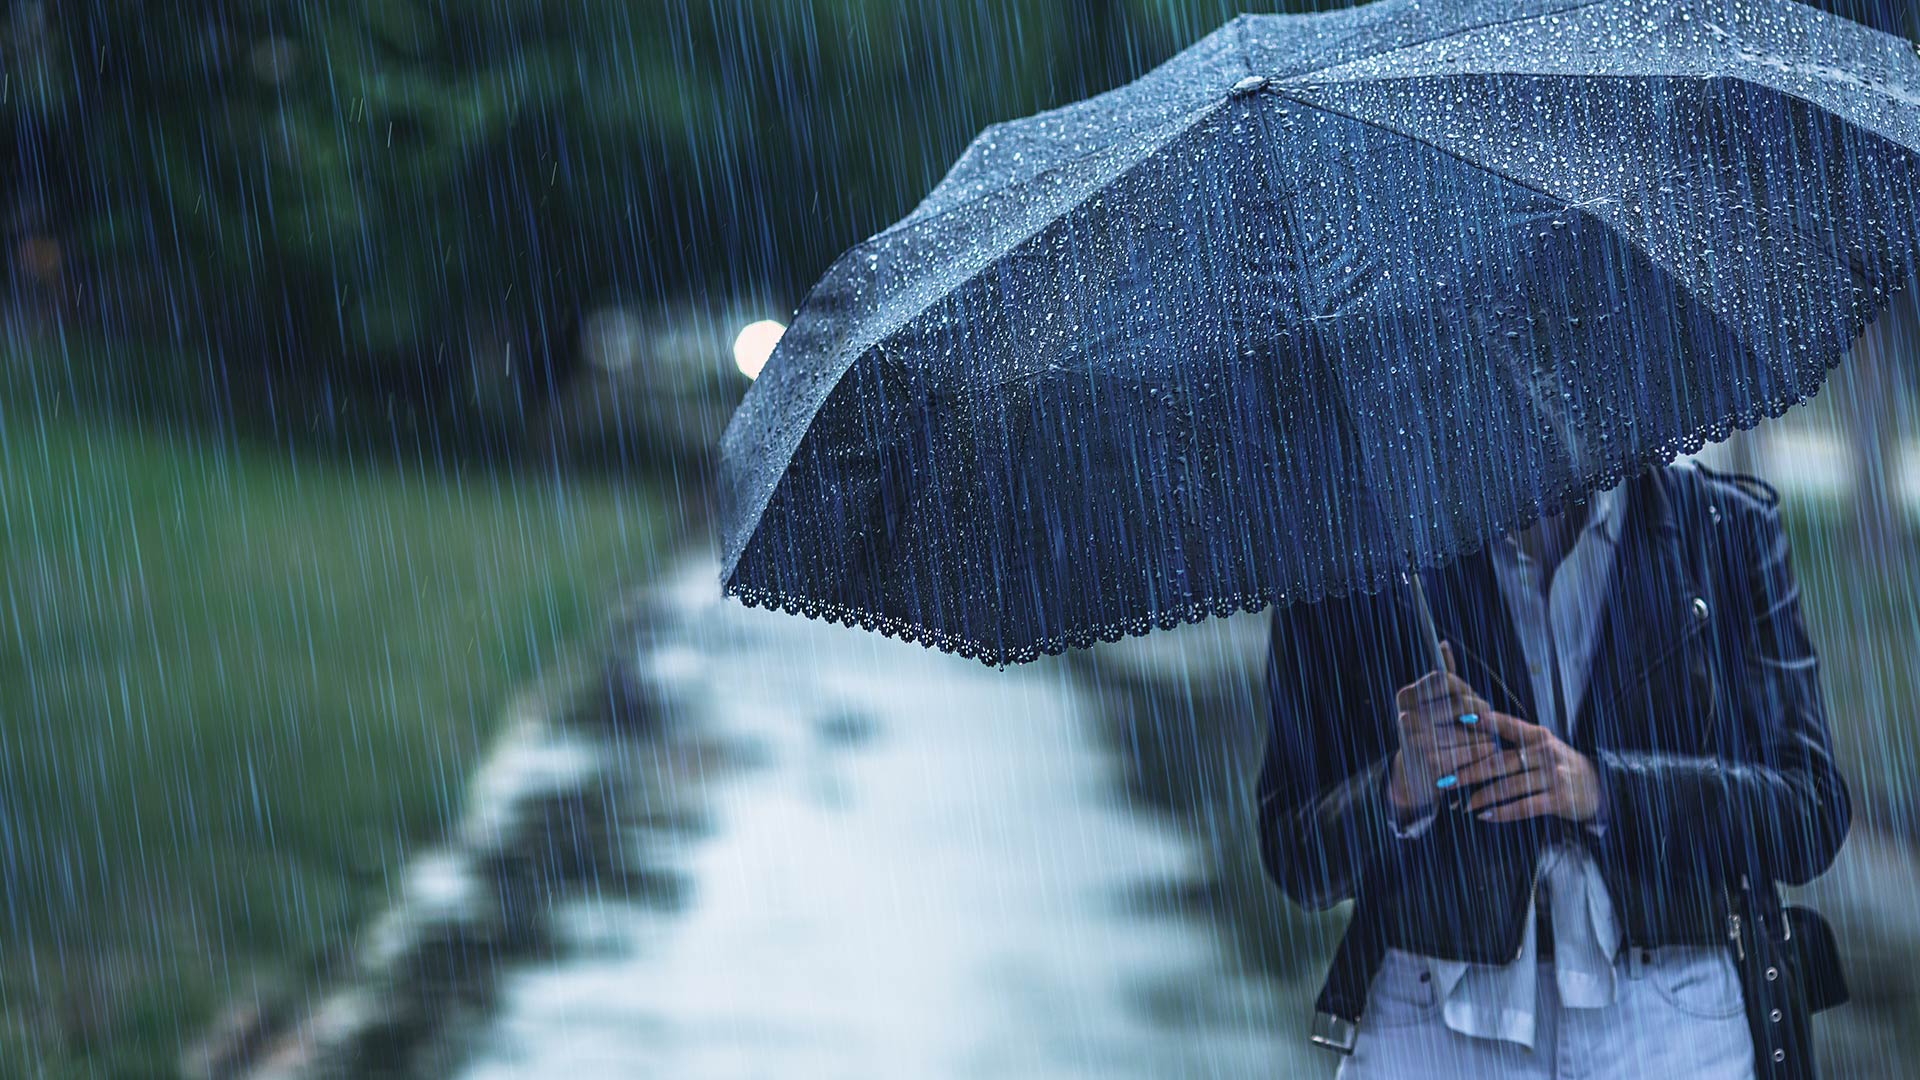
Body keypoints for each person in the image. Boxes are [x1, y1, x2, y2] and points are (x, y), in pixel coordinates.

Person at [1255, 461, 1852, 1079]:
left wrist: (1606, 791)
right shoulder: (1347, 551)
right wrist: (1402, 785)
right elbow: (1295, 853)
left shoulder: (1722, 528)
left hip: (1674, 1020)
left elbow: (1809, 814)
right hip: (1433, 1015)